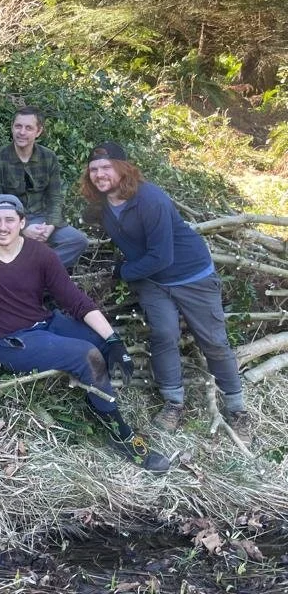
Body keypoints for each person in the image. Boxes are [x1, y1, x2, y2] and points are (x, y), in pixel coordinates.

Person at [0, 194, 170, 472]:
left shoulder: (40, 254)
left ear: (22, 223)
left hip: (44, 323)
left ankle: (97, 401)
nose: (3, 227)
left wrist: (114, 340)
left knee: (100, 343)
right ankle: (122, 437)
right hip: (8, 340)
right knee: (86, 355)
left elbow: (75, 300)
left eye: (10, 220)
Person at [81, 142, 251, 440]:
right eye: (93, 169)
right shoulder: (104, 205)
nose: (99, 174)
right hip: (153, 282)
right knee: (163, 334)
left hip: (191, 276)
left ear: (123, 168)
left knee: (212, 340)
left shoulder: (150, 199)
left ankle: (237, 409)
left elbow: (162, 257)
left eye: (106, 167)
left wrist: (123, 272)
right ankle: (174, 403)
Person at [0, 106, 89, 270]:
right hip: (8, 220)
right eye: (18, 126)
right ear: (12, 127)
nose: (22, 132)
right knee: (0, 250)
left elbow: (55, 197)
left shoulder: (48, 157)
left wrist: (51, 225)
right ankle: (30, 273)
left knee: (77, 241)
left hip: (41, 219)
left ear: (38, 132)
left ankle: (36, 271)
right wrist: (22, 229)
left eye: (28, 128)